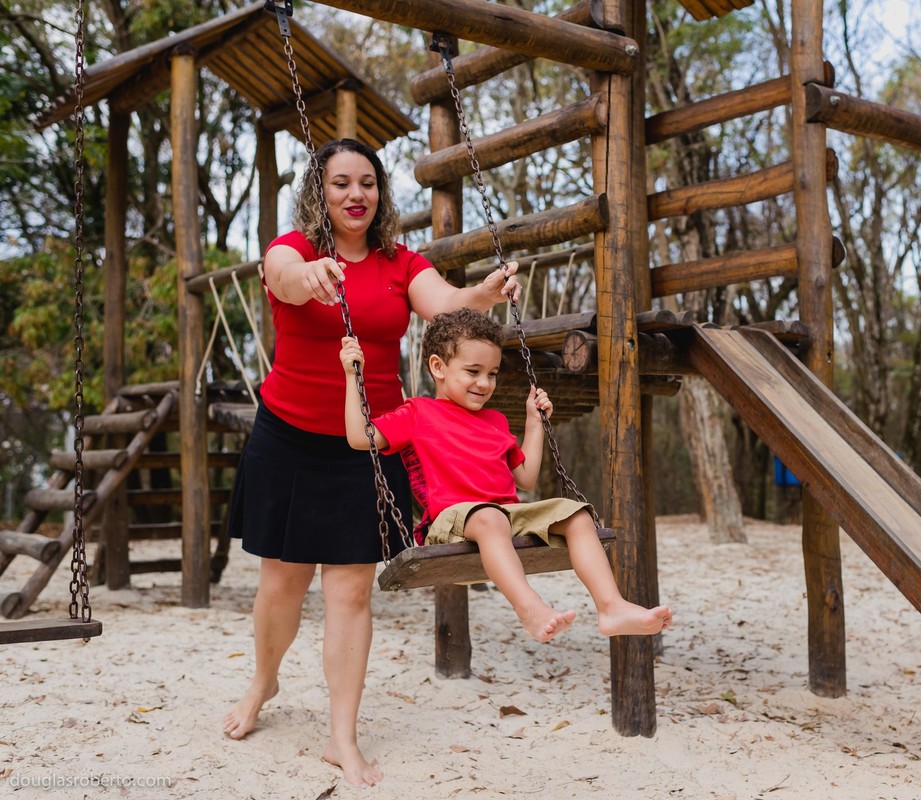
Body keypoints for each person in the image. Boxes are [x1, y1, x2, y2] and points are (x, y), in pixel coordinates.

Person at [221, 139, 520, 789]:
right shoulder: (295, 248)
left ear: (380, 194)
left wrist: (485, 293)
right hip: (290, 437)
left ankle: (341, 737)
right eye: (340, 184)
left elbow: (444, 303)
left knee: (351, 592)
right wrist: (312, 277)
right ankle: (264, 682)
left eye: (368, 183)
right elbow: (280, 277)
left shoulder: (398, 262)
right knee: (282, 582)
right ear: (319, 192)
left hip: (369, 444)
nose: (356, 194)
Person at [338, 307, 673, 644]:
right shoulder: (417, 412)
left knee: (577, 514)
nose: (484, 383)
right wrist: (354, 378)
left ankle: (611, 607)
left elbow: (525, 478)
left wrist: (533, 423)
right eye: (473, 371)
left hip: (504, 515)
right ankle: (529, 609)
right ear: (438, 367)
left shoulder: (495, 421)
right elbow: (358, 437)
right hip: (451, 521)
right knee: (488, 517)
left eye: (493, 373)